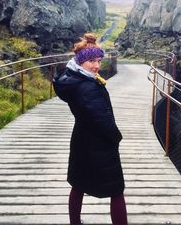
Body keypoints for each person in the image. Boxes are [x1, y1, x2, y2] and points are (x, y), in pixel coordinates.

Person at [53, 33, 127, 225]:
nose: (96, 66)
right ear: (80, 62)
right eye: (91, 61)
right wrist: (116, 137)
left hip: (81, 139)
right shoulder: (87, 87)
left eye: (99, 61)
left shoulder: (74, 79)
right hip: (99, 143)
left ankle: (75, 222)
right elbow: (102, 119)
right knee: (117, 191)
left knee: (78, 184)